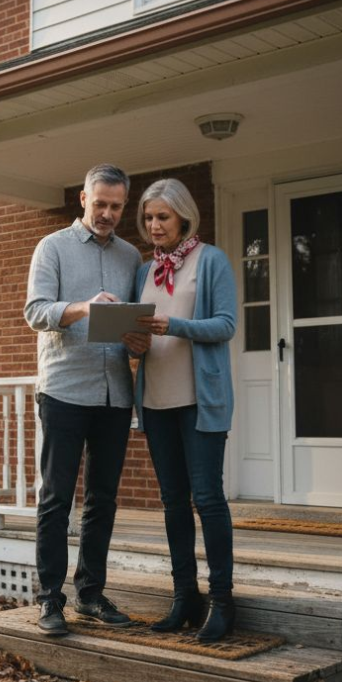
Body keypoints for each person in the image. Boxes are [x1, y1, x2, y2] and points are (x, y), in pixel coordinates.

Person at [23, 163, 141, 637]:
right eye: (100, 204)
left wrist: (138, 339)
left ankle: (90, 593)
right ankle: (50, 598)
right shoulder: (52, 247)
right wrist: (83, 308)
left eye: (116, 206)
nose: (108, 213)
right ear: (83, 199)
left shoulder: (132, 257)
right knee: (56, 500)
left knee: (103, 500)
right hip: (65, 390)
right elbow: (35, 311)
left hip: (115, 392)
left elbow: (131, 319)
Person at [123, 177, 238, 642]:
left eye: (162, 217)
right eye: (148, 218)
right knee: (172, 503)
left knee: (207, 499)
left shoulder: (210, 261)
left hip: (199, 401)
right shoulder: (144, 272)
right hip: (155, 401)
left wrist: (176, 323)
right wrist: (133, 339)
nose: (153, 225)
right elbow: (139, 334)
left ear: (183, 217)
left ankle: (222, 601)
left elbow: (226, 325)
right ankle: (183, 596)